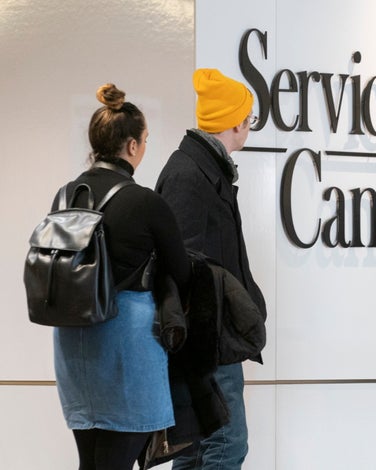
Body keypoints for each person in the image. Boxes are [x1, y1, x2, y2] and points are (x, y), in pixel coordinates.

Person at [52, 84, 191, 470]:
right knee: (117, 458)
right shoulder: (146, 202)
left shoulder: (65, 196)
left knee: (92, 459)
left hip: (73, 340)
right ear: (131, 146)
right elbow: (181, 270)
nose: (145, 147)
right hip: (125, 341)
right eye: (145, 140)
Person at [156, 68, 267, 469]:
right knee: (225, 446)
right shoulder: (190, 175)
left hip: (210, 341)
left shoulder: (203, 169)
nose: (249, 126)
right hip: (207, 345)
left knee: (197, 449)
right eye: (249, 118)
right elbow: (181, 265)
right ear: (235, 123)